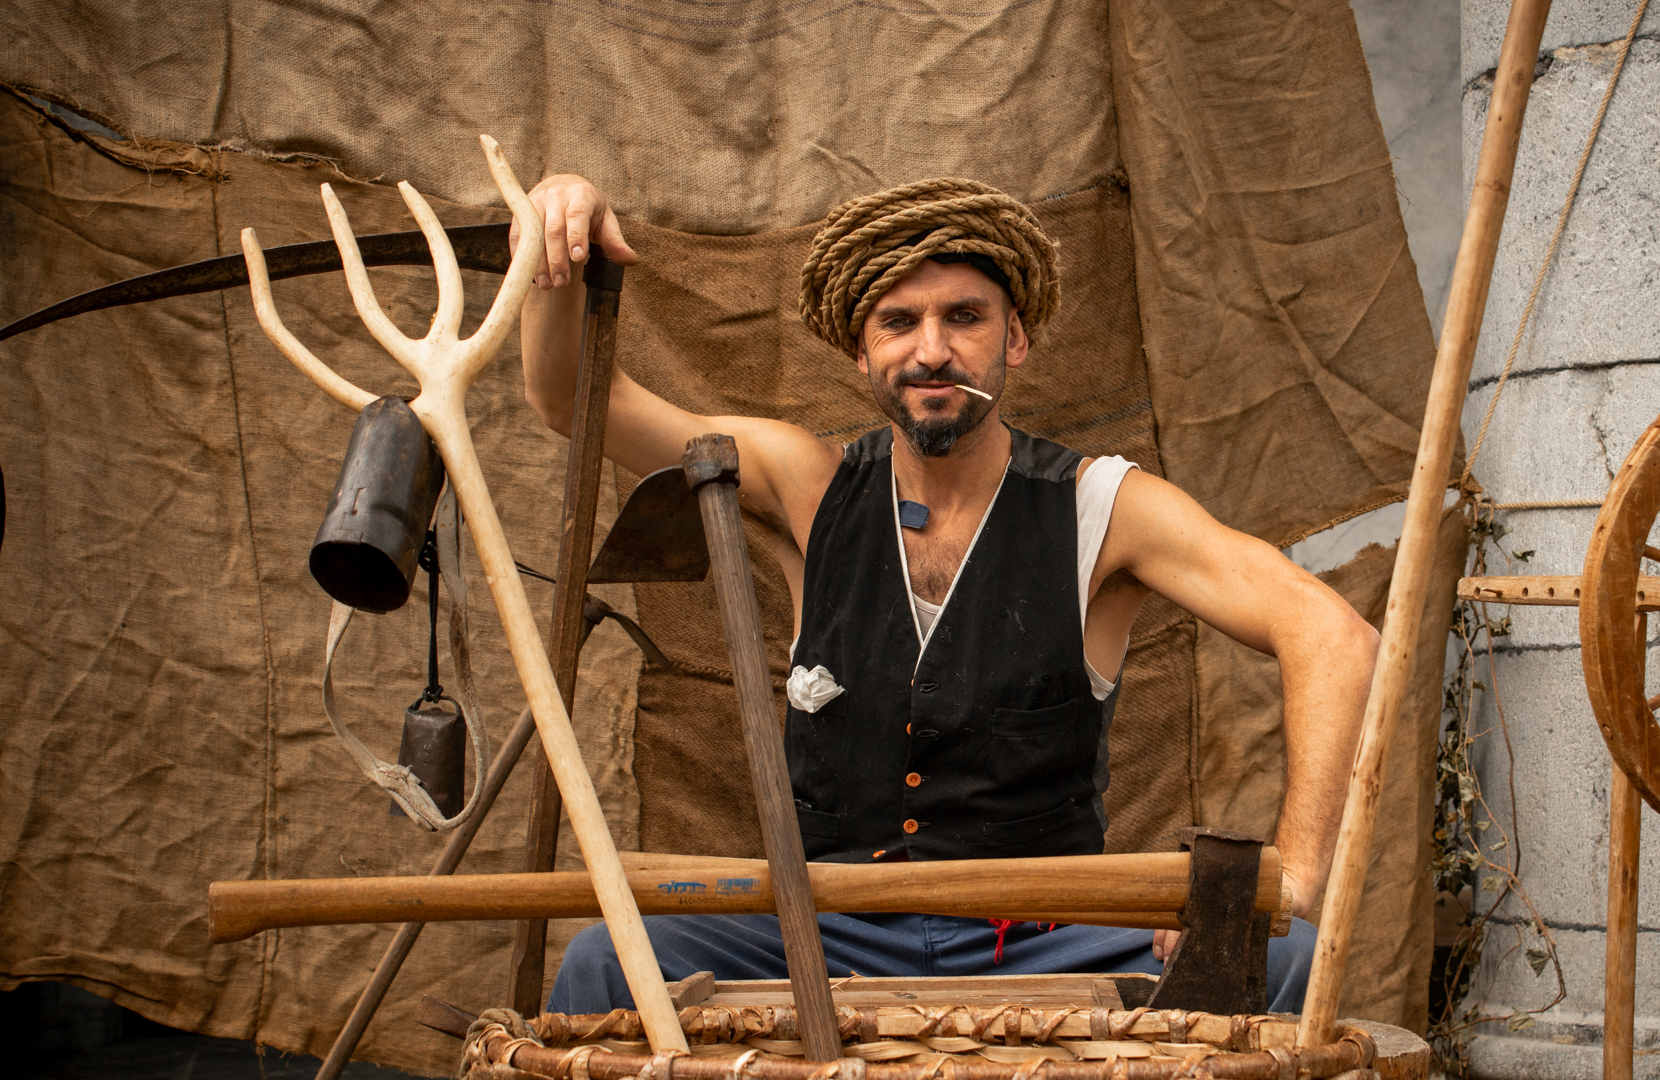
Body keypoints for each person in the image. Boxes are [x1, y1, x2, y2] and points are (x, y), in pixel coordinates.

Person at [514, 176, 1379, 1016]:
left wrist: (1292, 881)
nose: (932, 350)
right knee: (606, 961)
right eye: (899, 322)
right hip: (829, 931)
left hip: (1045, 936)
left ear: (1015, 341)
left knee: (1281, 958)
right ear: (861, 352)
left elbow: (1331, 635)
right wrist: (560, 235)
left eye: (964, 317)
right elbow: (573, 402)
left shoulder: (1102, 508)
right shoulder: (804, 484)